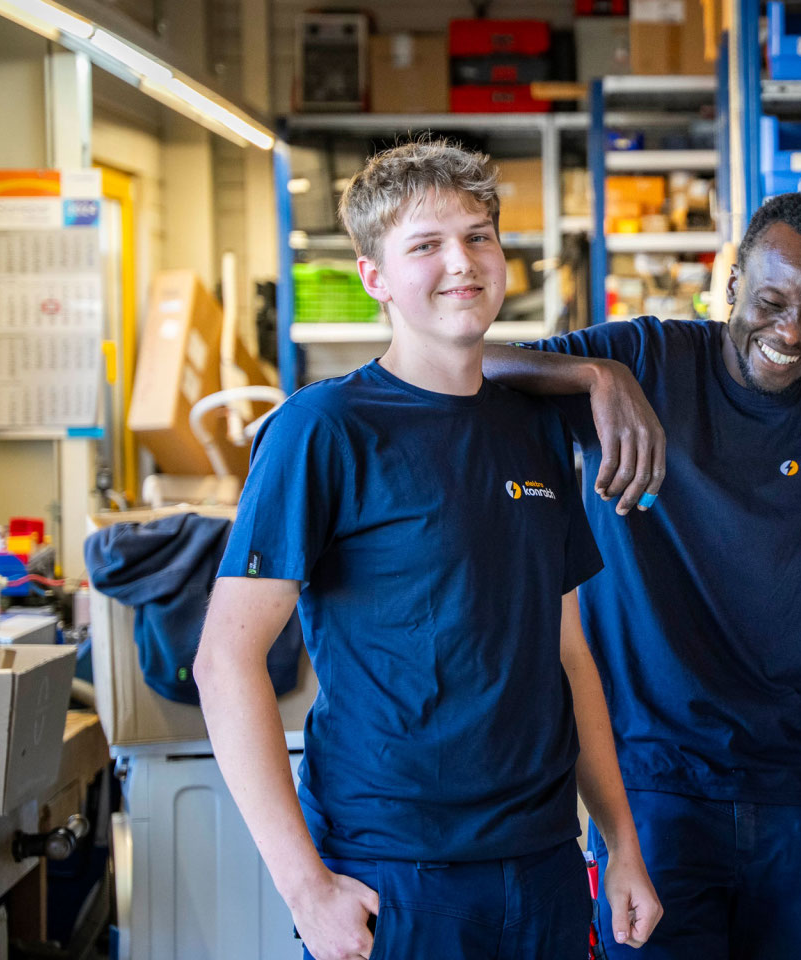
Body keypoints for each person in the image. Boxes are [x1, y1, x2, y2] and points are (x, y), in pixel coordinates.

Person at [196, 139, 665, 960]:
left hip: (544, 863)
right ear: (374, 276)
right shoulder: (324, 430)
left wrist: (619, 841)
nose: (464, 262)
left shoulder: (535, 432)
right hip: (395, 874)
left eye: (480, 235)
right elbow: (224, 661)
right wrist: (306, 887)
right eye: (427, 245)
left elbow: (569, 654)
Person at [483, 192, 801, 959]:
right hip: (652, 787)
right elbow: (463, 366)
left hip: (794, 785)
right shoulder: (644, 359)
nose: (791, 334)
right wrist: (594, 377)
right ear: (732, 280)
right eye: (771, 302)